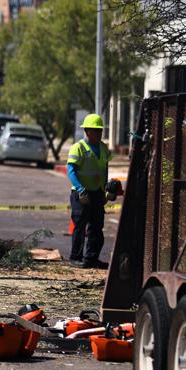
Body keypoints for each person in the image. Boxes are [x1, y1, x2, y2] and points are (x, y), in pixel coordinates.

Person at [67, 113, 112, 269]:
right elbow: (71, 171)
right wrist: (81, 190)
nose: (100, 133)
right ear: (87, 131)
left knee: (96, 228)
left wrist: (106, 188)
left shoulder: (103, 148)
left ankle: (91, 258)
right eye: (96, 130)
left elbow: (105, 169)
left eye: (101, 130)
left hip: (97, 193)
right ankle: (75, 257)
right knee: (80, 227)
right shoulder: (78, 147)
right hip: (81, 194)